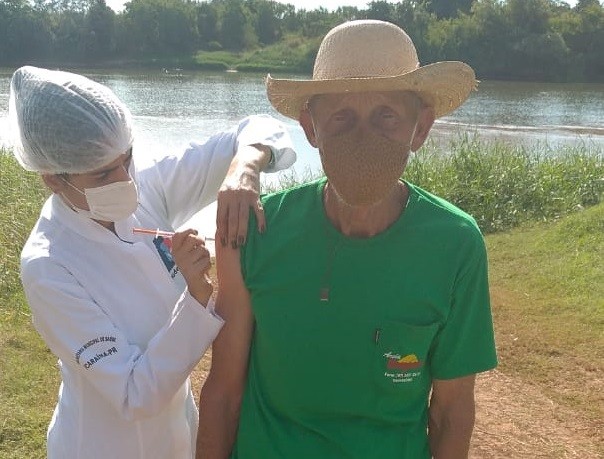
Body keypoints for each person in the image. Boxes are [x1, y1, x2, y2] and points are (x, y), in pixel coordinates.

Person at [197, 20, 498, 459]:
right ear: (310, 127)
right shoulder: (257, 229)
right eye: (342, 117)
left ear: (421, 128)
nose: (363, 138)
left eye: (386, 116)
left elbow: (451, 412)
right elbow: (224, 392)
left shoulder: (455, 244)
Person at [9, 65, 296, 459]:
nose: (125, 180)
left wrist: (244, 166)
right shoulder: (49, 264)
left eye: (126, 158)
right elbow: (135, 393)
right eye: (103, 174)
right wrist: (195, 299)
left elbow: (259, 128)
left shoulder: (149, 184)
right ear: (53, 179)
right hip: (101, 447)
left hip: (176, 435)